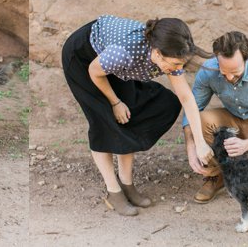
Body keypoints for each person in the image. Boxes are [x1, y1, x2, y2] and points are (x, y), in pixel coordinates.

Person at [61, 15, 211, 216]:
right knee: (103, 122)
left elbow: (186, 98)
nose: (177, 69)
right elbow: (95, 71)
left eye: (181, 64)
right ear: (157, 54)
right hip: (83, 59)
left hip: (111, 61)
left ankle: (127, 184)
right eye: (174, 64)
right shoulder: (123, 53)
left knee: (137, 113)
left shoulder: (169, 52)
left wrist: (200, 142)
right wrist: (115, 102)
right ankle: (114, 192)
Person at [181, 31, 248, 204]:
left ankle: (244, 164)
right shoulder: (208, 70)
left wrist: (247, 145)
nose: (229, 77)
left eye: (235, 72)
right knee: (200, 120)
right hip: (231, 118)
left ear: (246, 59)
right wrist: (191, 146)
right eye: (224, 71)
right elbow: (191, 110)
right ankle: (218, 175)